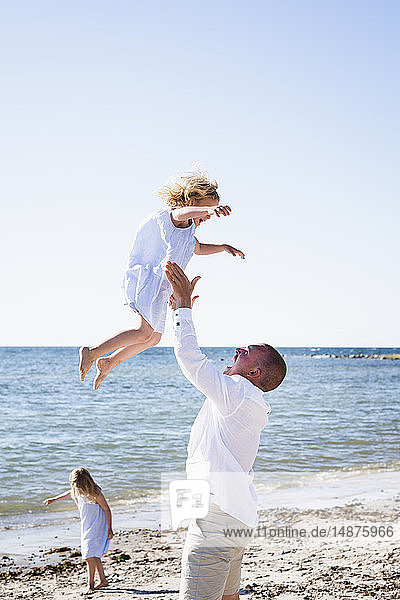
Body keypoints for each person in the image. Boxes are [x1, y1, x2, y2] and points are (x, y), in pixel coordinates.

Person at [165, 261, 287, 600]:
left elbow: (190, 359)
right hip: (237, 520)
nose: (237, 351)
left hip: (217, 522)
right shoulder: (250, 402)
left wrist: (184, 309)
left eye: (246, 353)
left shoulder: (238, 392)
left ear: (256, 373)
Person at [79, 167, 245, 390]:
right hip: (149, 281)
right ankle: (93, 352)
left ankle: (110, 361)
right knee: (144, 331)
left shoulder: (189, 231)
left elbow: (198, 248)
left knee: (153, 338)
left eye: (210, 211)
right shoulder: (173, 217)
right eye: (205, 209)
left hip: (163, 288)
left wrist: (224, 247)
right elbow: (182, 213)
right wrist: (211, 210)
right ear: (193, 203)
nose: (207, 215)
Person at [43, 467, 113, 593]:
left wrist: (109, 528)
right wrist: (54, 499)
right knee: (93, 554)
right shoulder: (77, 491)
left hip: (97, 526)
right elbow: (68, 493)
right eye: (75, 485)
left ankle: (90, 585)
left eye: (78, 485)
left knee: (88, 555)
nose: (76, 487)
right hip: (87, 526)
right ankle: (103, 580)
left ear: (85, 481)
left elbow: (107, 509)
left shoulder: (95, 493)